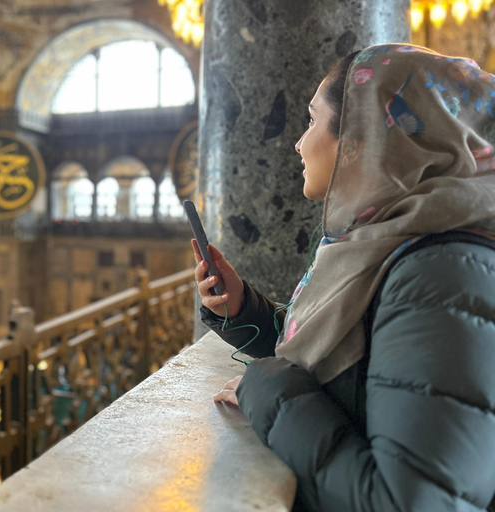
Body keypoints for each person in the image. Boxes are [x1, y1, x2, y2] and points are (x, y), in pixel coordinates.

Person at [195, 44, 495, 511]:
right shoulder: (393, 238)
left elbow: (410, 501)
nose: (299, 142)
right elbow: (361, 363)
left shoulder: (441, 271)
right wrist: (243, 310)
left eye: (312, 120)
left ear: (358, 140)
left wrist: (265, 385)